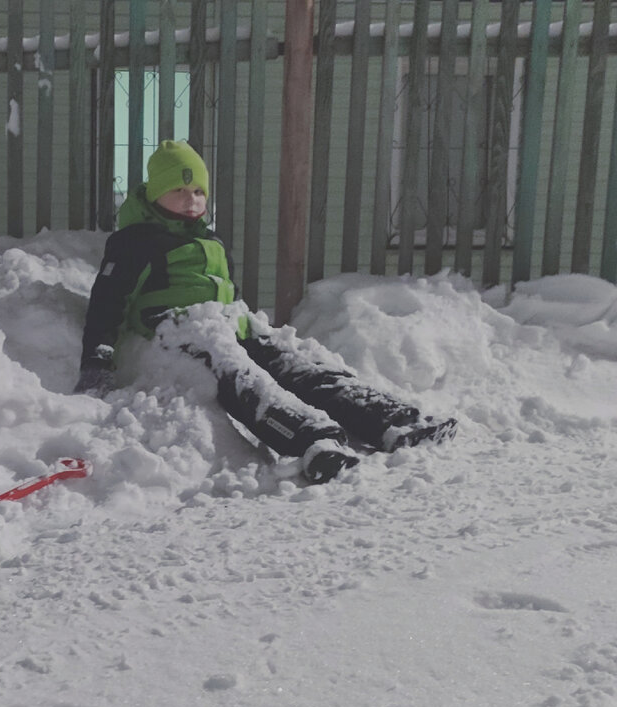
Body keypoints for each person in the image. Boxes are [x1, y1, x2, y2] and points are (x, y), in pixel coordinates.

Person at [75, 140, 456, 484]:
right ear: (155, 194)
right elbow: (108, 300)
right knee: (245, 379)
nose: (190, 199)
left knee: (301, 365)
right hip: (180, 329)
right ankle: (312, 440)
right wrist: (98, 360)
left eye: (197, 191)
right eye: (178, 189)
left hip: (230, 323)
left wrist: (246, 325)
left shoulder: (210, 242)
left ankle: (392, 421)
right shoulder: (135, 241)